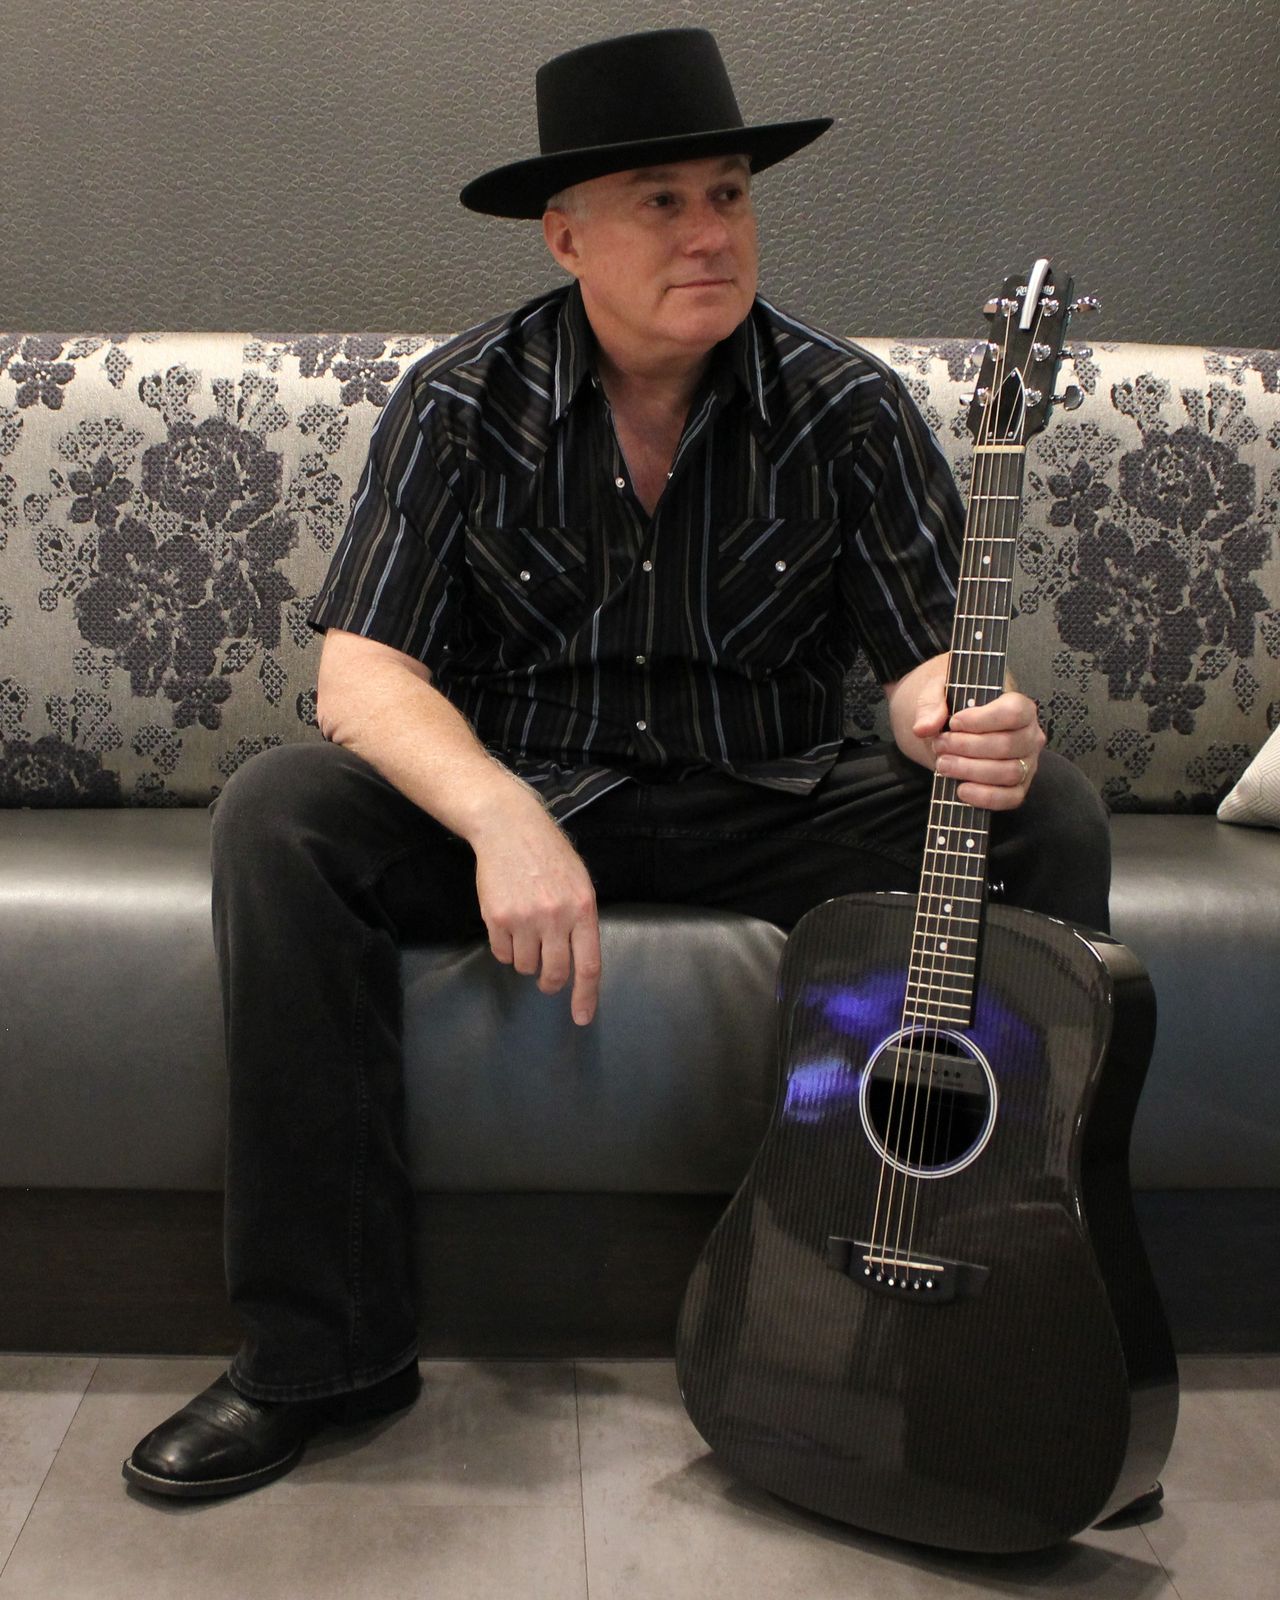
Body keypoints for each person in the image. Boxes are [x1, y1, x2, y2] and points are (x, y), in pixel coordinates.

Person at [122, 27, 1109, 1500]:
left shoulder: (846, 406)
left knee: (1047, 819)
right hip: (532, 792)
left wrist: (959, 720)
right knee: (282, 818)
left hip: (768, 797)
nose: (710, 232)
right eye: (662, 201)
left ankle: (1001, 1298)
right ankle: (321, 1356)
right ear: (567, 234)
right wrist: (502, 818)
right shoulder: (462, 403)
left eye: (730, 195)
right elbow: (361, 677)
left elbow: (920, 660)